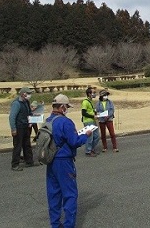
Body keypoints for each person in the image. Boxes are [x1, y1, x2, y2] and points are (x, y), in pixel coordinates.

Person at [46, 93, 92, 228]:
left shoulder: (49, 120)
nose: (67, 109)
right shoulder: (66, 122)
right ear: (61, 107)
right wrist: (85, 135)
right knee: (70, 194)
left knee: (54, 193)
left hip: (51, 159)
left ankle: (55, 223)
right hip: (64, 160)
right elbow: (74, 141)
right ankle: (68, 225)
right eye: (66, 106)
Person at [9, 87, 36, 171]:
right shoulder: (16, 103)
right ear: (23, 94)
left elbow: (29, 113)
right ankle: (15, 165)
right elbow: (12, 117)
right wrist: (13, 129)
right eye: (28, 93)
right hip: (19, 127)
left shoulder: (26, 102)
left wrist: (31, 121)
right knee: (18, 146)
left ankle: (29, 161)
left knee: (27, 144)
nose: (29, 95)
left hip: (26, 126)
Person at [81, 88, 100, 157]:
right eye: (93, 92)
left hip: (93, 121)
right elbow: (83, 113)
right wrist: (92, 116)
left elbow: (92, 110)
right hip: (88, 121)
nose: (95, 94)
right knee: (90, 137)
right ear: (89, 94)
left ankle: (92, 148)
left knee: (97, 136)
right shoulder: (85, 102)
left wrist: (96, 114)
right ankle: (88, 151)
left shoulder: (91, 101)